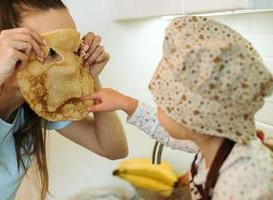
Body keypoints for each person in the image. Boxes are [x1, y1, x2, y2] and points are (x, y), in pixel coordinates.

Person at [83, 16, 273, 199]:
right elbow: (166, 129)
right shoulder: (213, 141)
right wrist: (126, 103)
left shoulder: (240, 181)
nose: (158, 109)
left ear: (190, 119)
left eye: (162, 104)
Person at [0, 0, 128, 199]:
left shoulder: (37, 102)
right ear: (7, 47)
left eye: (72, 50)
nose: (69, 66)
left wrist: (89, 74)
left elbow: (113, 148)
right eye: (52, 52)